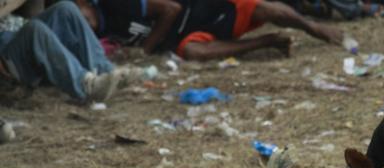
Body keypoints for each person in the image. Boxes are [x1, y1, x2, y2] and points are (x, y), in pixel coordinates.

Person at [74, 0, 343, 61]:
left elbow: (170, 9)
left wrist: (146, 50)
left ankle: (314, 27)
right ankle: (266, 41)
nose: (82, 21)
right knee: (193, 51)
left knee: (263, 9)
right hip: (185, 37)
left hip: (199, 8)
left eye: (80, 13)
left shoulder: (115, 5)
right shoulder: (100, 35)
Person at [0, 1, 140, 101]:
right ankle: (87, 86)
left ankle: (107, 72)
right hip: (7, 60)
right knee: (34, 29)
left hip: (15, 34)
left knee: (65, 8)